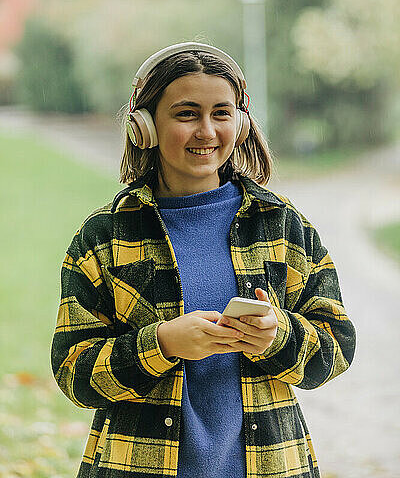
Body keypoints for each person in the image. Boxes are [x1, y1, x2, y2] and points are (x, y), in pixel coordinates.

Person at [51, 42, 356, 478]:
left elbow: (336, 349)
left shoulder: (284, 226)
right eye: (186, 114)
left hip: (271, 465)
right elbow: (73, 372)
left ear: (242, 122)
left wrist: (277, 336)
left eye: (221, 113)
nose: (207, 132)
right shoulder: (104, 237)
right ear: (145, 126)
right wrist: (161, 345)